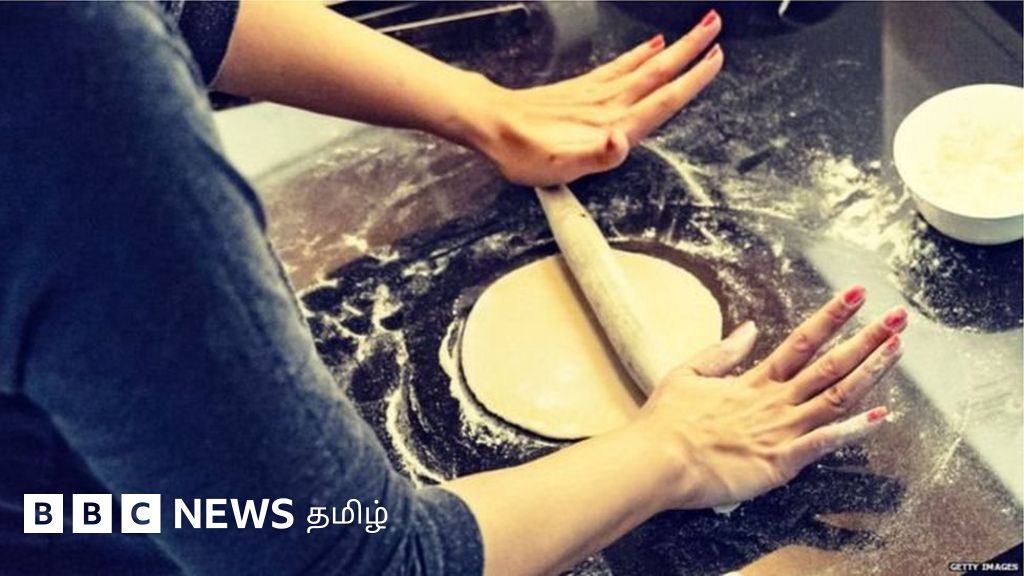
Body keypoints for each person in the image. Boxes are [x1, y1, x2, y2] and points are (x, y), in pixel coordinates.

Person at [0, 2, 908, 575]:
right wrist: (675, 452)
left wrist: (480, 107)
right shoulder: (66, 81)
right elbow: (340, 558)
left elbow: (182, 9)